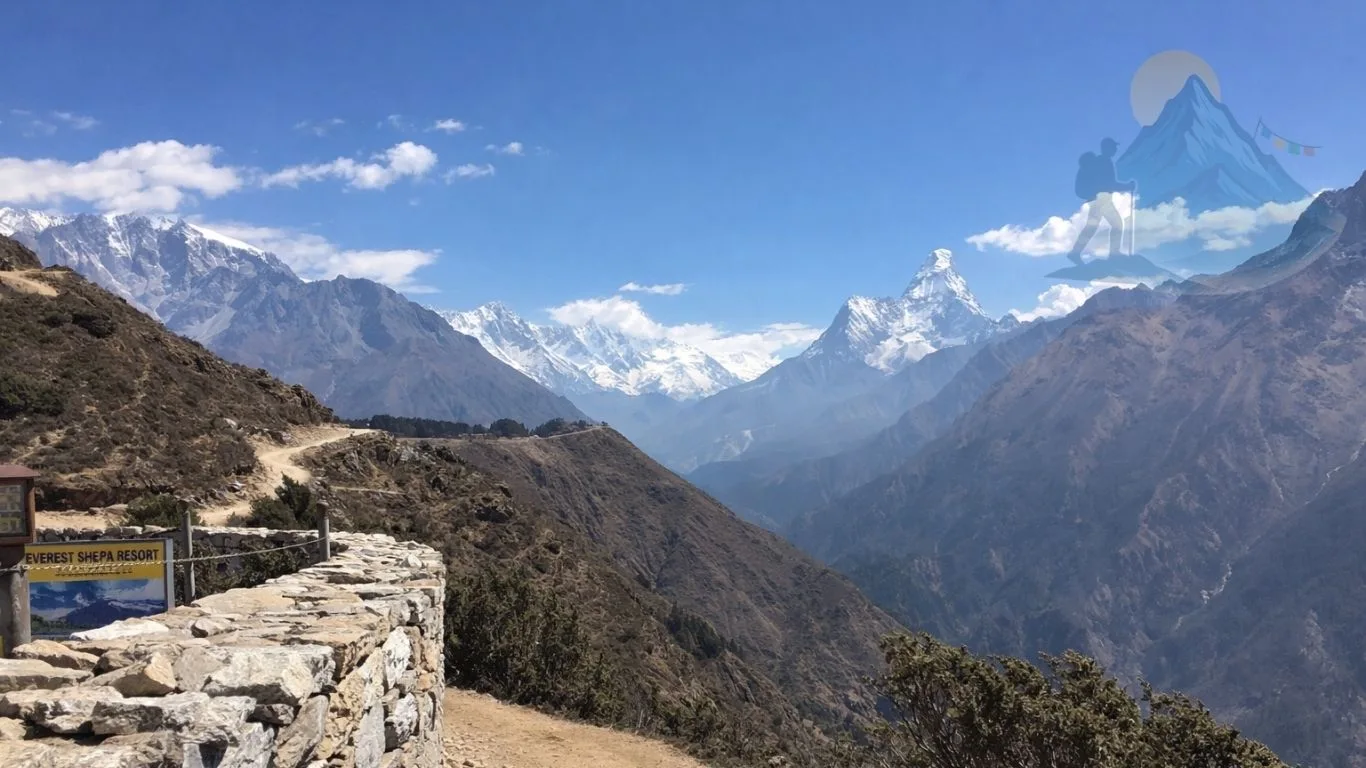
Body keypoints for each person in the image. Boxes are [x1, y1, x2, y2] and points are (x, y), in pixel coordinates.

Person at [1067, 138, 1137, 265]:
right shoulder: (1105, 162)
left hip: (1097, 198)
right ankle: (1114, 255)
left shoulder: (1099, 162)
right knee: (1116, 224)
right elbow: (1110, 184)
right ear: (1107, 148)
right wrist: (1128, 186)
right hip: (1102, 198)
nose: (1116, 149)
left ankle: (1075, 252)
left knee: (1092, 226)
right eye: (1114, 147)